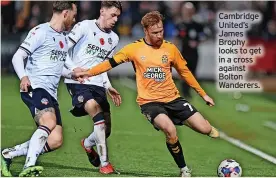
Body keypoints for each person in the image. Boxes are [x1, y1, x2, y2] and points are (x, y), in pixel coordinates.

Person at [73, 11, 219, 177]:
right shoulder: (134, 49)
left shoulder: (170, 49)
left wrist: (203, 94)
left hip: (174, 99)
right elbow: (109, 64)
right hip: (150, 103)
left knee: (206, 129)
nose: (159, 35)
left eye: (161, 31)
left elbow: (185, 72)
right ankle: (184, 170)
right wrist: (88, 73)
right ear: (146, 31)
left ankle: (183, 120)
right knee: (170, 130)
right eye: (155, 32)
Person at [1, 1, 77, 177]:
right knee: (48, 122)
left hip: (50, 93)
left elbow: (58, 68)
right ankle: (29, 166)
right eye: (73, 14)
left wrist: (74, 74)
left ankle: (8, 154)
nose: (74, 19)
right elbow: (18, 56)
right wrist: (23, 76)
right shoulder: (40, 31)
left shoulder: (64, 39)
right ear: (65, 13)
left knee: (56, 139)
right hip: (35, 87)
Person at [63, 1, 122, 174]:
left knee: (106, 130)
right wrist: (74, 70)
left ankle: (87, 144)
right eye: (113, 15)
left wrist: (108, 86)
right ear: (102, 11)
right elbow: (63, 49)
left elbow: (103, 66)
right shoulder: (84, 27)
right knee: (95, 110)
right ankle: (105, 164)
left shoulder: (114, 38)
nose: (116, 19)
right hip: (78, 82)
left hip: (97, 84)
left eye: (118, 16)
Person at [174, 2, 207, 99]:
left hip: (194, 53)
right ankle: (185, 94)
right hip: (183, 53)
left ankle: (187, 92)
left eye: (189, 10)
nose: (187, 12)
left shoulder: (197, 24)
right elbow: (176, 39)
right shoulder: (180, 25)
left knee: (192, 74)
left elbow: (205, 36)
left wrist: (198, 42)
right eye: (186, 10)